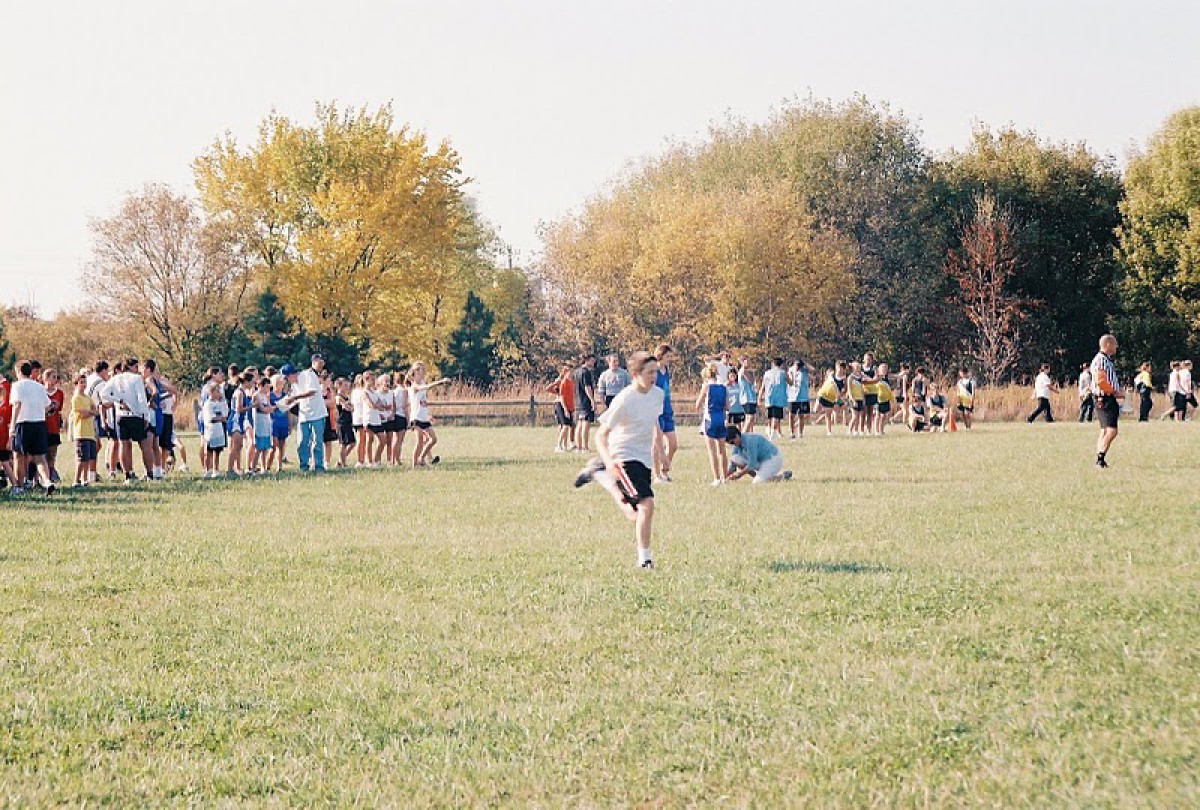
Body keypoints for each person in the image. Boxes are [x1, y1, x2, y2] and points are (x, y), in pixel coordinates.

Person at [573, 350, 665, 569]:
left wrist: (662, 453)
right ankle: (644, 560)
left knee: (635, 514)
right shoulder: (625, 399)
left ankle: (602, 476)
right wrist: (610, 461)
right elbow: (600, 435)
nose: (654, 376)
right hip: (623, 455)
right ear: (635, 374)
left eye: (656, 372)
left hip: (643, 459)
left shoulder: (658, 395)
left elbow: (655, 425)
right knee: (647, 505)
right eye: (650, 372)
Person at [8, 360, 55, 496]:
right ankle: (47, 481)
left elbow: (17, 405)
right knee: (40, 457)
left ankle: (19, 486)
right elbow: (47, 406)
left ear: (18, 372)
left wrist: (12, 426)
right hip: (39, 423)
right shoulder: (39, 387)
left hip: (23, 423)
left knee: (19, 456)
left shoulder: (17, 386)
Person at [407, 362, 450, 468]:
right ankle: (415, 465)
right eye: (420, 371)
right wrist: (441, 381)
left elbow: (423, 402)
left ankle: (421, 459)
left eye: (423, 370)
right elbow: (427, 387)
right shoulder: (414, 386)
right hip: (416, 418)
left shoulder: (422, 383)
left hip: (424, 418)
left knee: (433, 439)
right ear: (414, 373)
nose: (422, 373)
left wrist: (427, 414)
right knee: (419, 442)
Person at [1090, 334, 1123, 469]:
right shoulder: (1101, 360)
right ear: (1108, 344)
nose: (1116, 347)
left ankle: (1100, 458)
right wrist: (1114, 392)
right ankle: (1100, 458)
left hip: (1103, 397)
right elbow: (1100, 380)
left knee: (1104, 430)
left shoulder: (1104, 359)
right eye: (1114, 345)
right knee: (1111, 430)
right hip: (1105, 397)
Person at [291, 355, 327, 473]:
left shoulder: (309, 375)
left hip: (317, 413)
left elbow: (311, 392)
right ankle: (304, 466)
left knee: (317, 441)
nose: (321, 366)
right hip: (304, 415)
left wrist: (295, 397)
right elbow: (294, 398)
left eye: (322, 364)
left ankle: (318, 466)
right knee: (302, 441)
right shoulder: (294, 383)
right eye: (319, 363)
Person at [694, 363, 728, 486]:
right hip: (721, 419)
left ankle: (716, 478)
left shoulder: (706, 387)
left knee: (711, 451)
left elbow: (698, 405)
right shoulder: (723, 387)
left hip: (709, 420)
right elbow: (727, 406)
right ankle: (724, 478)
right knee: (722, 451)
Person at [724, 425, 792, 484]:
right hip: (760, 461)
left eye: (732, 442)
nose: (733, 444)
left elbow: (752, 464)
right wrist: (725, 477)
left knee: (757, 482)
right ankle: (760, 476)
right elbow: (733, 460)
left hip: (772, 459)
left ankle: (782, 476)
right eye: (731, 443)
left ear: (737, 435)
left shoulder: (750, 441)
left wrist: (738, 474)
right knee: (735, 458)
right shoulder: (737, 444)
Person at [653, 344, 677, 483]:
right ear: (660, 356)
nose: (669, 359)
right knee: (657, 444)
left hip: (667, 409)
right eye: (667, 356)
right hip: (656, 410)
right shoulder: (654, 371)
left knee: (673, 444)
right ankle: (657, 475)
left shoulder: (666, 370)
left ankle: (664, 471)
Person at [69, 371, 97, 487]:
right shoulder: (76, 398)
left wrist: (90, 412)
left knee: (88, 458)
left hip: (90, 432)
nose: (83, 385)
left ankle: (85, 479)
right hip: (81, 432)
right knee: (81, 458)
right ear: (76, 384)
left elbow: (94, 409)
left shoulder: (88, 398)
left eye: (85, 382)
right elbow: (82, 414)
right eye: (81, 382)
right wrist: (90, 412)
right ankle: (76, 480)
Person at [200, 381, 228, 477]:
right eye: (217, 391)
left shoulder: (220, 403)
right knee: (208, 451)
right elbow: (210, 418)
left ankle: (216, 469)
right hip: (210, 430)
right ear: (211, 392)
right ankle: (207, 470)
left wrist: (221, 417)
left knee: (217, 450)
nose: (219, 393)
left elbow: (225, 414)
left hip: (219, 429)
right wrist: (220, 418)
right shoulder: (208, 404)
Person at [42, 368, 64, 483]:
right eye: (53, 377)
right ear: (46, 378)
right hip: (42, 426)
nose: (56, 379)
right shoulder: (41, 391)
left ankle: (51, 473)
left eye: (56, 377)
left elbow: (59, 410)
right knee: (42, 454)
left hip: (54, 427)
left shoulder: (59, 393)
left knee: (52, 453)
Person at [572, 355, 597, 453]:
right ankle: (585, 447)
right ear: (586, 360)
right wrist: (592, 400)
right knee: (586, 424)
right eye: (592, 360)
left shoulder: (576, 372)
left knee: (579, 424)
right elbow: (587, 387)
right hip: (585, 401)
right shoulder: (585, 372)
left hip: (577, 401)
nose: (593, 363)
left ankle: (578, 447)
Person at [758, 357, 788, 440]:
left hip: (769, 397)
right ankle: (772, 433)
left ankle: (770, 430)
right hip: (779, 398)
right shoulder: (783, 373)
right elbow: (791, 382)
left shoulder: (767, 373)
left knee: (770, 416)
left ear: (773, 364)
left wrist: (759, 398)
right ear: (781, 365)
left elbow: (762, 386)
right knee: (776, 417)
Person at [549, 363, 576, 453]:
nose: (571, 373)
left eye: (572, 371)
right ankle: (558, 445)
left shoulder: (571, 382)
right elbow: (562, 396)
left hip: (569, 406)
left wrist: (571, 408)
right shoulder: (563, 382)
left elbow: (570, 396)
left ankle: (564, 445)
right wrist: (565, 409)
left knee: (568, 426)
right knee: (564, 425)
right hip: (561, 405)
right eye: (569, 371)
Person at [249, 376, 274, 474]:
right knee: (258, 448)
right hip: (259, 425)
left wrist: (269, 409)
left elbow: (270, 408)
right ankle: (253, 468)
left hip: (266, 424)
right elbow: (262, 409)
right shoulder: (256, 395)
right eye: (267, 386)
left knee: (265, 448)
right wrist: (268, 409)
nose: (268, 389)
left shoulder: (266, 396)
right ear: (260, 386)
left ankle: (264, 468)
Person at [269, 373, 291, 473]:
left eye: (281, 383)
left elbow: (288, 411)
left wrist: (289, 423)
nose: (280, 385)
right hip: (273, 422)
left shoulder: (285, 396)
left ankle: (279, 466)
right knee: (274, 446)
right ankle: (268, 466)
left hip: (283, 422)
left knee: (281, 446)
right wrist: (277, 406)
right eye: (278, 383)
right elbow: (268, 408)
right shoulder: (270, 395)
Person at [786, 359, 813, 439]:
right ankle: (792, 433)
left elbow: (813, 370)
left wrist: (805, 363)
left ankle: (800, 433)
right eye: (796, 365)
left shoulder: (804, 370)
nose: (797, 367)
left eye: (799, 366)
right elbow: (789, 381)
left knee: (801, 416)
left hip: (803, 396)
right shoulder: (790, 370)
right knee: (791, 415)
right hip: (792, 396)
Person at [335, 377, 356, 468]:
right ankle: (343, 464)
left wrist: (350, 406)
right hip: (342, 423)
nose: (347, 387)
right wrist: (349, 406)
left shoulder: (347, 396)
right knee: (343, 444)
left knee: (352, 443)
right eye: (345, 385)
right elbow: (348, 408)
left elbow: (352, 408)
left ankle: (340, 461)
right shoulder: (338, 397)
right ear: (339, 386)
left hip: (348, 422)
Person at [0, 372, 15, 491]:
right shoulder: (5, 407)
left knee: (5, 463)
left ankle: (16, 484)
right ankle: (15, 484)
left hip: (2, 440)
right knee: (6, 463)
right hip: (3, 439)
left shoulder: (5, 407)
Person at [737, 357, 758, 433]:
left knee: (749, 418)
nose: (749, 363)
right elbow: (751, 381)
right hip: (746, 397)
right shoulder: (743, 371)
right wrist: (752, 374)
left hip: (751, 397)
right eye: (747, 362)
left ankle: (747, 433)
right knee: (750, 417)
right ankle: (744, 434)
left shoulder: (747, 371)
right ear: (742, 362)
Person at [875, 363, 895, 435]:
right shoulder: (877, 377)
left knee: (884, 416)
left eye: (886, 369)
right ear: (879, 369)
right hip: (878, 399)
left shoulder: (886, 377)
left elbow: (896, 376)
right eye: (883, 369)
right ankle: (876, 430)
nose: (884, 370)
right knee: (878, 415)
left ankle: (881, 429)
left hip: (886, 399)